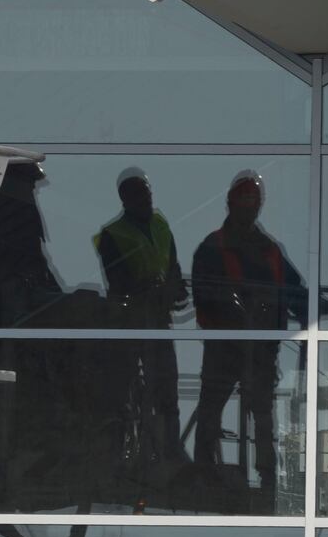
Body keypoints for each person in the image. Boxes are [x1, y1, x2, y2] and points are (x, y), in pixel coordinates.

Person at [191, 170, 307, 499]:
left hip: (258, 348)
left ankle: (268, 474)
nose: (248, 208)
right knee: (214, 407)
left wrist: (314, 310)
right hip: (226, 347)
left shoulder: (268, 250)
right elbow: (205, 295)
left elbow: (293, 289)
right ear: (231, 205)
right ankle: (204, 469)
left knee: (261, 413)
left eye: (252, 202)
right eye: (243, 202)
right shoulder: (213, 248)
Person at [94, 167, 188, 463]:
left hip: (158, 321)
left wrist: (176, 289)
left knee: (166, 388)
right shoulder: (113, 235)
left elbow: (172, 268)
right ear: (126, 199)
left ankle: (169, 450)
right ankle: (130, 450)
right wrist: (150, 290)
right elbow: (118, 283)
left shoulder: (161, 225)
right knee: (131, 391)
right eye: (138, 194)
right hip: (130, 324)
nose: (145, 199)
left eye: (146, 193)